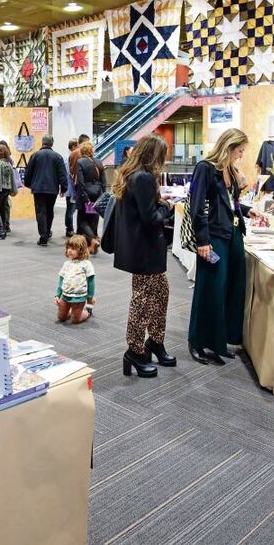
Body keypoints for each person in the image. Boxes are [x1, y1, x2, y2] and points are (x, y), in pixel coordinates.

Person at [187, 129, 258, 365]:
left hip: (234, 234)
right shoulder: (206, 168)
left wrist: (248, 211)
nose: (241, 155)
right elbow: (197, 207)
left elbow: (230, 202)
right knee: (210, 289)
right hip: (214, 236)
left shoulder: (229, 170)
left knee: (231, 289)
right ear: (229, 146)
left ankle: (219, 341)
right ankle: (198, 341)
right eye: (239, 150)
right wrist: (203, 240)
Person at [112, 134, 176, 378]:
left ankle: (154, 342)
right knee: (142, 301)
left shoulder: (132, 175)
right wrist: (166, 207)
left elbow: (141, 211)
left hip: (140, 248)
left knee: (160, 294)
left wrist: (158, 203)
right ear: (153, 155)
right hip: (145, 250)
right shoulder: (144, 178)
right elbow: (150, 218)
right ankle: (135, 350)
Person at [23, 135, 68, 246]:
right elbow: (62, 174)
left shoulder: (35, 155)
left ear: (42, 143)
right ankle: (47, 232)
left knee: (40, 212)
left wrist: (28, 184)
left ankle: (43, 236)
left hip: (38, 189)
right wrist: (63, 188)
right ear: (52, 143)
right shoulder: (57, 157)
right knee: (49, 211)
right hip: (52, 189)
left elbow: (28, 172)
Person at [73, 141, 106, 254]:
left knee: (82, 220)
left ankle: (92, 239)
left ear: (82, 151)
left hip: (85, 193)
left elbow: (81, 182)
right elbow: (104, 182)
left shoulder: (81, 162)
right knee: (93, 218)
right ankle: (91, 242)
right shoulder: (99, 162)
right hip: (97, 194)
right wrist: (102, 195)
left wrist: (84, 197)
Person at [54, 234, 95, 324]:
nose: (69, 251)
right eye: (68, 247)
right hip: (65, 296)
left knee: (75, 320)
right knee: (61, 317)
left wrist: (90, 297)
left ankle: (87, 312)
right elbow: (61, 279)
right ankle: (73, 311)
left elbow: (91, 281)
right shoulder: (67, 264)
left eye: (73, 249)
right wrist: (58, 294)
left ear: (81, 250)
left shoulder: (86, 264)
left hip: (79, 297)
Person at [0, 144, 17, 239]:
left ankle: (1, 230)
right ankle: (4, 229)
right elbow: (12, 178)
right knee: (2, 209)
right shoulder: (8, 163)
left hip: (0, 189)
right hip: (7, 189)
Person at [63, 139, 78, 238]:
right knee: (70, 211)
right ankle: (70, 230)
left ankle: (69, 229)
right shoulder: (71, 158)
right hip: (72, 190)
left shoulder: (67, 158)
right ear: (73, 146)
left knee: (70, 210)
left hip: (69, 189)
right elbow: (71, 175)